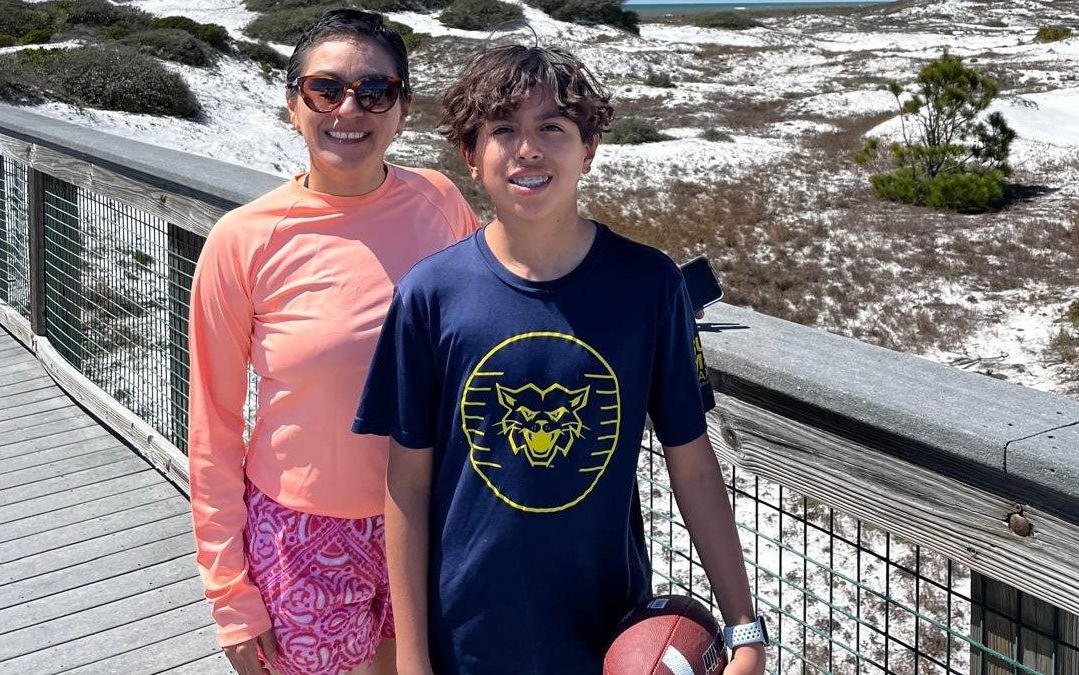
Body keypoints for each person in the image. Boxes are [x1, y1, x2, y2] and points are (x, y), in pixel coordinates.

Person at [352, 45, 768, 674]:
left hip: (607, 633)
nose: (528, 149)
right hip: (465, 635)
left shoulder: (648, 285)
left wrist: (744, 627)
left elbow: (693, 464)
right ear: (470, 155)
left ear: (589, 148)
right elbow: (406, 485)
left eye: (552, 127)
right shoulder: (430, 294)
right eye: (502, 129)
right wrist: (413, 662)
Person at [187, 10, 479, 675]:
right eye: (326, 88)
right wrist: (230, 594)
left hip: (428, 519)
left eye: (375, 91)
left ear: (402, 109)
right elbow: (213, 428)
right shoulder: (243, 239)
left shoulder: (439, 202)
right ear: (294, 104)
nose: (351, 107)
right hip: (299, 534)